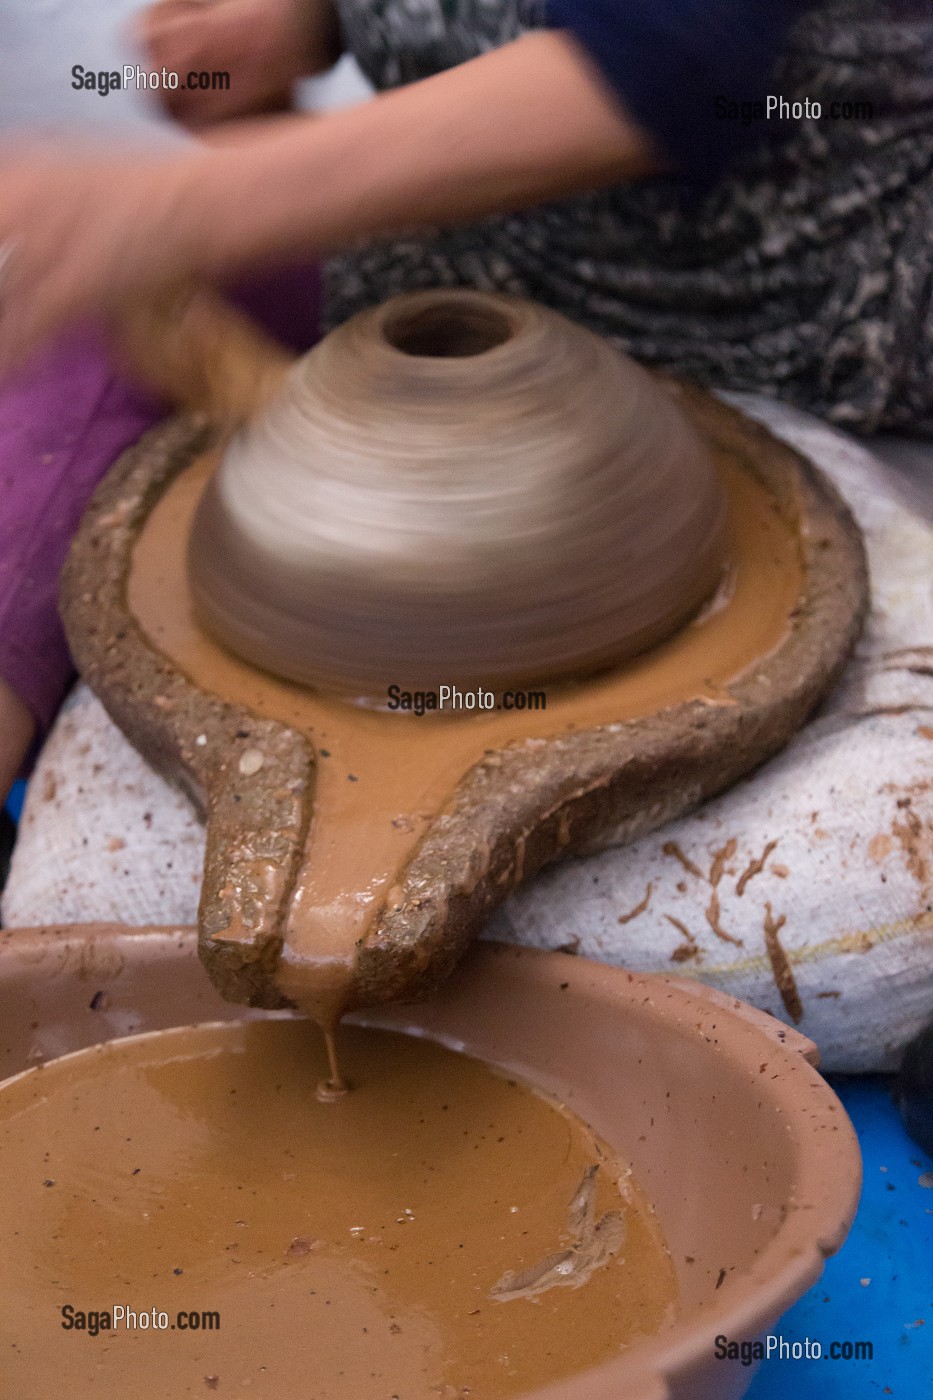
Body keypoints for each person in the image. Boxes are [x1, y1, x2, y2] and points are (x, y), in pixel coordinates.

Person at [0, 0, 931, 802]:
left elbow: (668, 60)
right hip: (482, 246)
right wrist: (305, 18)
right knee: (69, 337)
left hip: (810, 297)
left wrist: (180, 206)